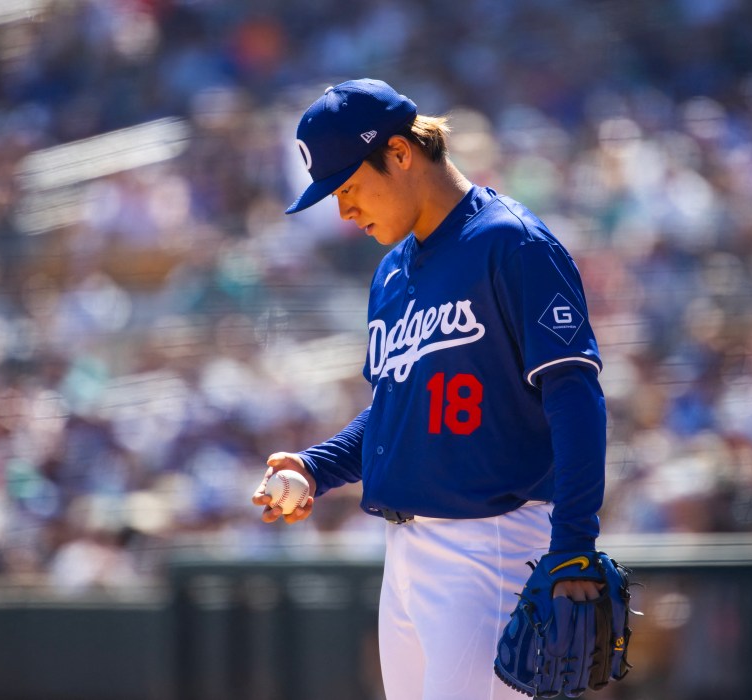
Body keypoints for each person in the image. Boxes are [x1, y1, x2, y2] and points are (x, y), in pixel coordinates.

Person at [253, 78, 608, 700]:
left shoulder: (512, 242)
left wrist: (575, 541)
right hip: (408, 555)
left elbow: (575, 397)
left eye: (349, 187)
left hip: (493, 544)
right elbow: (396, 413)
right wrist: (314, 469)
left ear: (399, 153)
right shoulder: (392, 269)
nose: (344, 211)